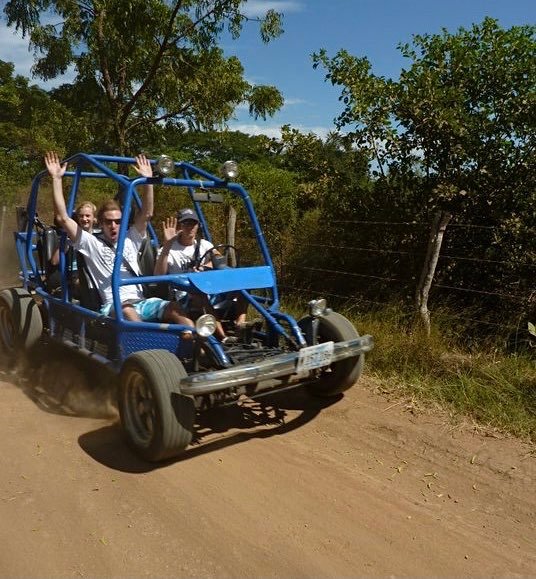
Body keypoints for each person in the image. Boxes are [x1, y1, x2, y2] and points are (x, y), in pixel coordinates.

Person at [44, 151, 194, 330]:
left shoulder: (131, 239)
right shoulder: (92, 244)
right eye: (108, 222)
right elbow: (63, 218)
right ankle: (150, 349)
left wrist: (148, 181)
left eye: (118, 221)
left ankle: (195, 345)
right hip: (114, 305)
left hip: (142, 302)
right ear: (100, 223)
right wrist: (56, 179)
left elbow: (147, 214)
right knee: (129, 312)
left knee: (175, 309)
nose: (114, 226)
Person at [154, 208, 248, 340]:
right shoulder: (168, 249)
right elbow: (158, 276)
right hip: (184, 296)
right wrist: (167, 246)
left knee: (242, 284)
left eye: (193, 224)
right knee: (200, 296)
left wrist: (203, 267)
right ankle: (223, 338)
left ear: (198, 225)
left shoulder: (205, 244)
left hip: (209, 290)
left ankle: (241, 325)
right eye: (186, 224)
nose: (190, 228)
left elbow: (219, 261)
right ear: (179, 226)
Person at [50, 200, 97, 266]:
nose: (84, 219)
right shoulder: (70, 240)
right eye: (81, 216)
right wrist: (65, 243)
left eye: (87, 216)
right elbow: (54, 261)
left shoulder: (99, 238)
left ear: (94, 218)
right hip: (76, 273)